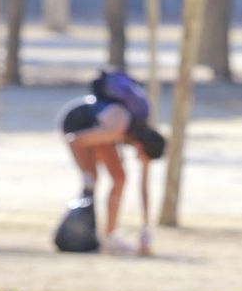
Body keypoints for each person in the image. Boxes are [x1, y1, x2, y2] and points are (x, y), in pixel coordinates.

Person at [56, 79, 166, 256]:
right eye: (142, 157)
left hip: (99, 128)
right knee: (93, 181)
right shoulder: (117, 128)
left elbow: (144, 187)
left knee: (120, 178)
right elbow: (74, 140)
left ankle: (110, 235)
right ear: (141, 147)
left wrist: (146, 231)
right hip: (76, 122)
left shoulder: (140, 132)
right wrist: (86, 174)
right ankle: (80, 233)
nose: (141, 161)